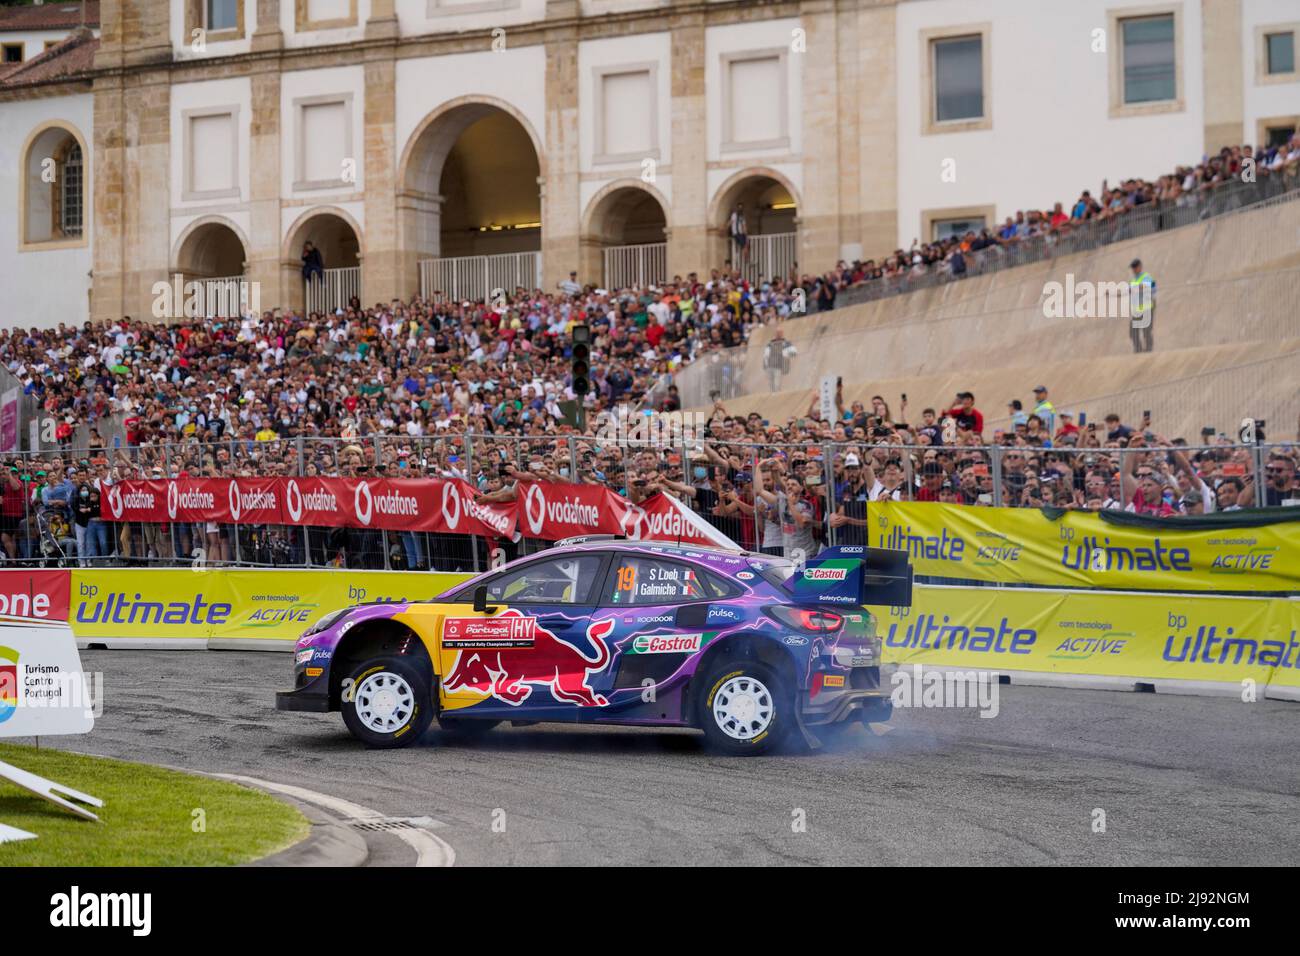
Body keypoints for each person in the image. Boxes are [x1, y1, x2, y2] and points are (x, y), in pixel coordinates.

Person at [1128, 258, 1155, 353]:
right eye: (1132, 268)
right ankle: (1138, 350)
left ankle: (1149, 350)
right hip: (1137, 310)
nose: (1133, 269)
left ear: (1140, 267)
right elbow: (1127, 291)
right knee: (1133, 332)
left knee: (1146, 331)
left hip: (1147, 308)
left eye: (1135, 267)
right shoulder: (1133, 280)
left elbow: (1150, 286)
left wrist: (1134, 288)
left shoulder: (1146, 276)